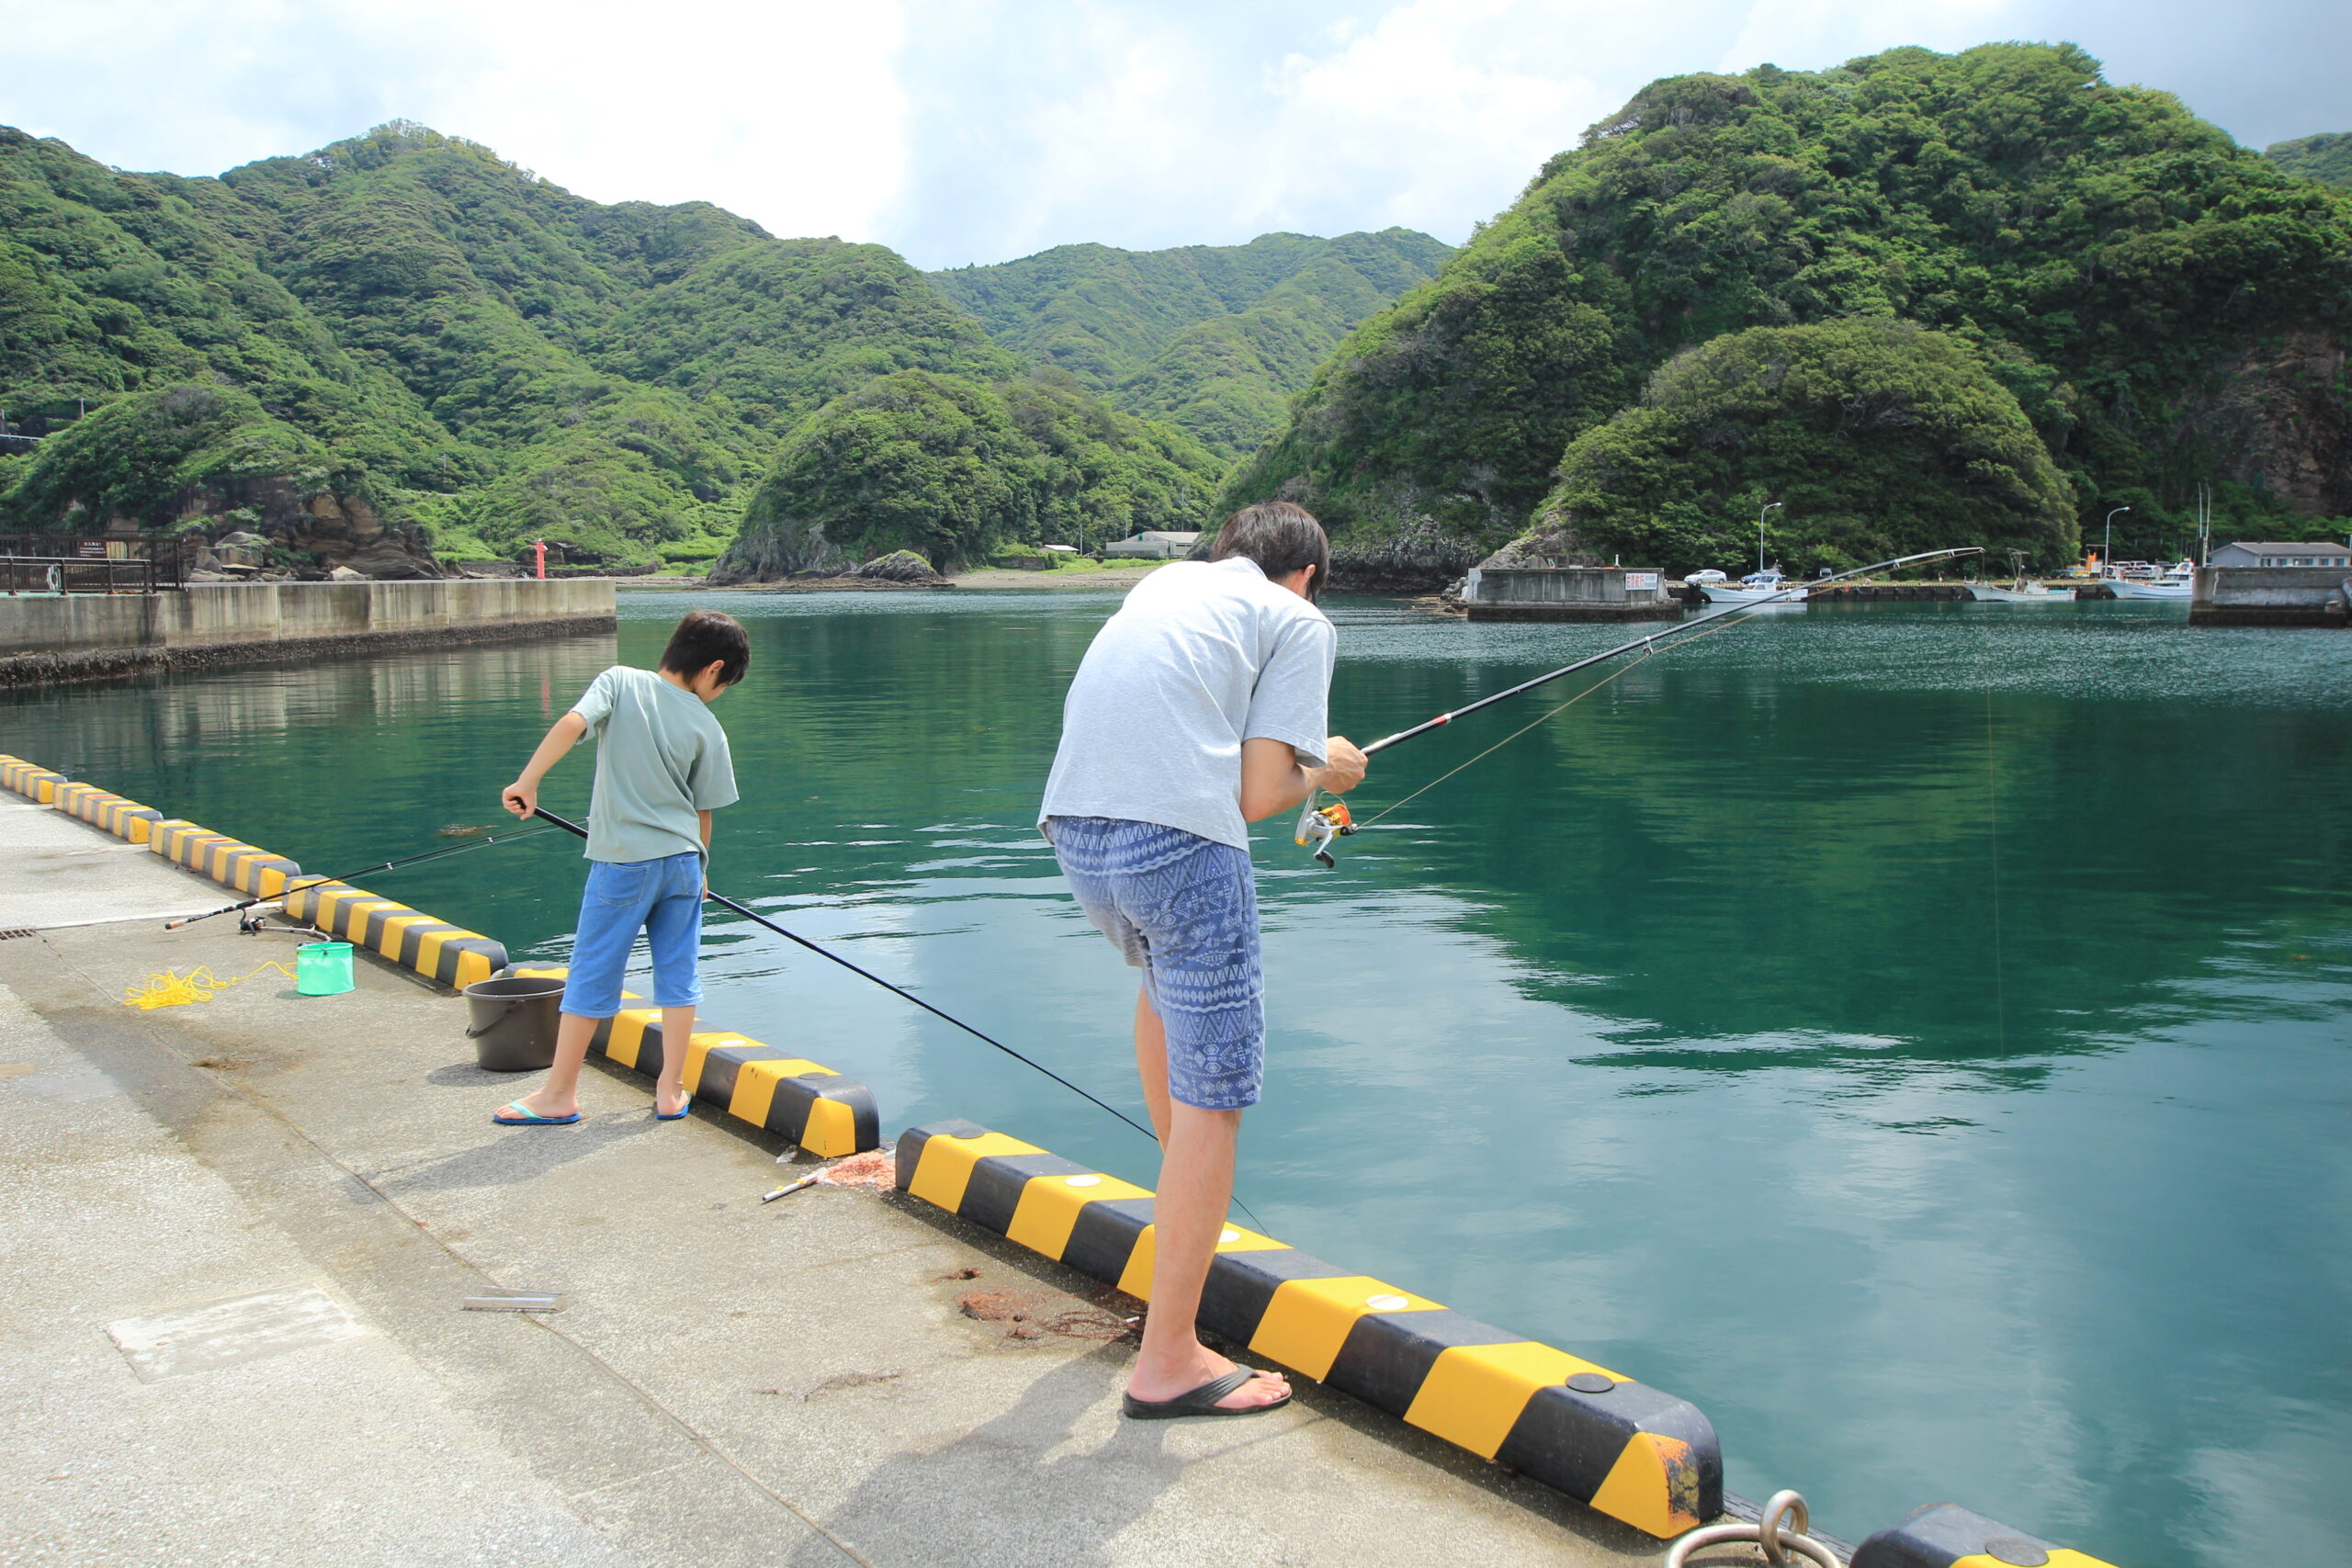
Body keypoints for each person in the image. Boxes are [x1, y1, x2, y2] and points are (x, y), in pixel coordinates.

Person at [1039, 501, 1368, 1418]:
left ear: (1228, 552)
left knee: (1161, 991)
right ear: (1306, 575)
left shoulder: (1167, 582)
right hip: (1176, 844)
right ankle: (1169, 1363)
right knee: (1214, 1101)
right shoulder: (1298, 618)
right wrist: (1327, 770)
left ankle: (1179, 1229)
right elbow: (1260, 794)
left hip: (1076, 832)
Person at [491, 609, 749, 1126]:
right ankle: (670, 1090)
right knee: (679, 976)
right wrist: (702, 869)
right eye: (725, 684)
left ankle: (560, 1094)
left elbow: (572, 724)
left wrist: (528, 782)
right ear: (713, 668)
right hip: (684, 864)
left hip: (624, 864)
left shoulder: (621, 681)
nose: (718, 694)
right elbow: (703, 811)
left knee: (593, 972)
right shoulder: (708, 726)